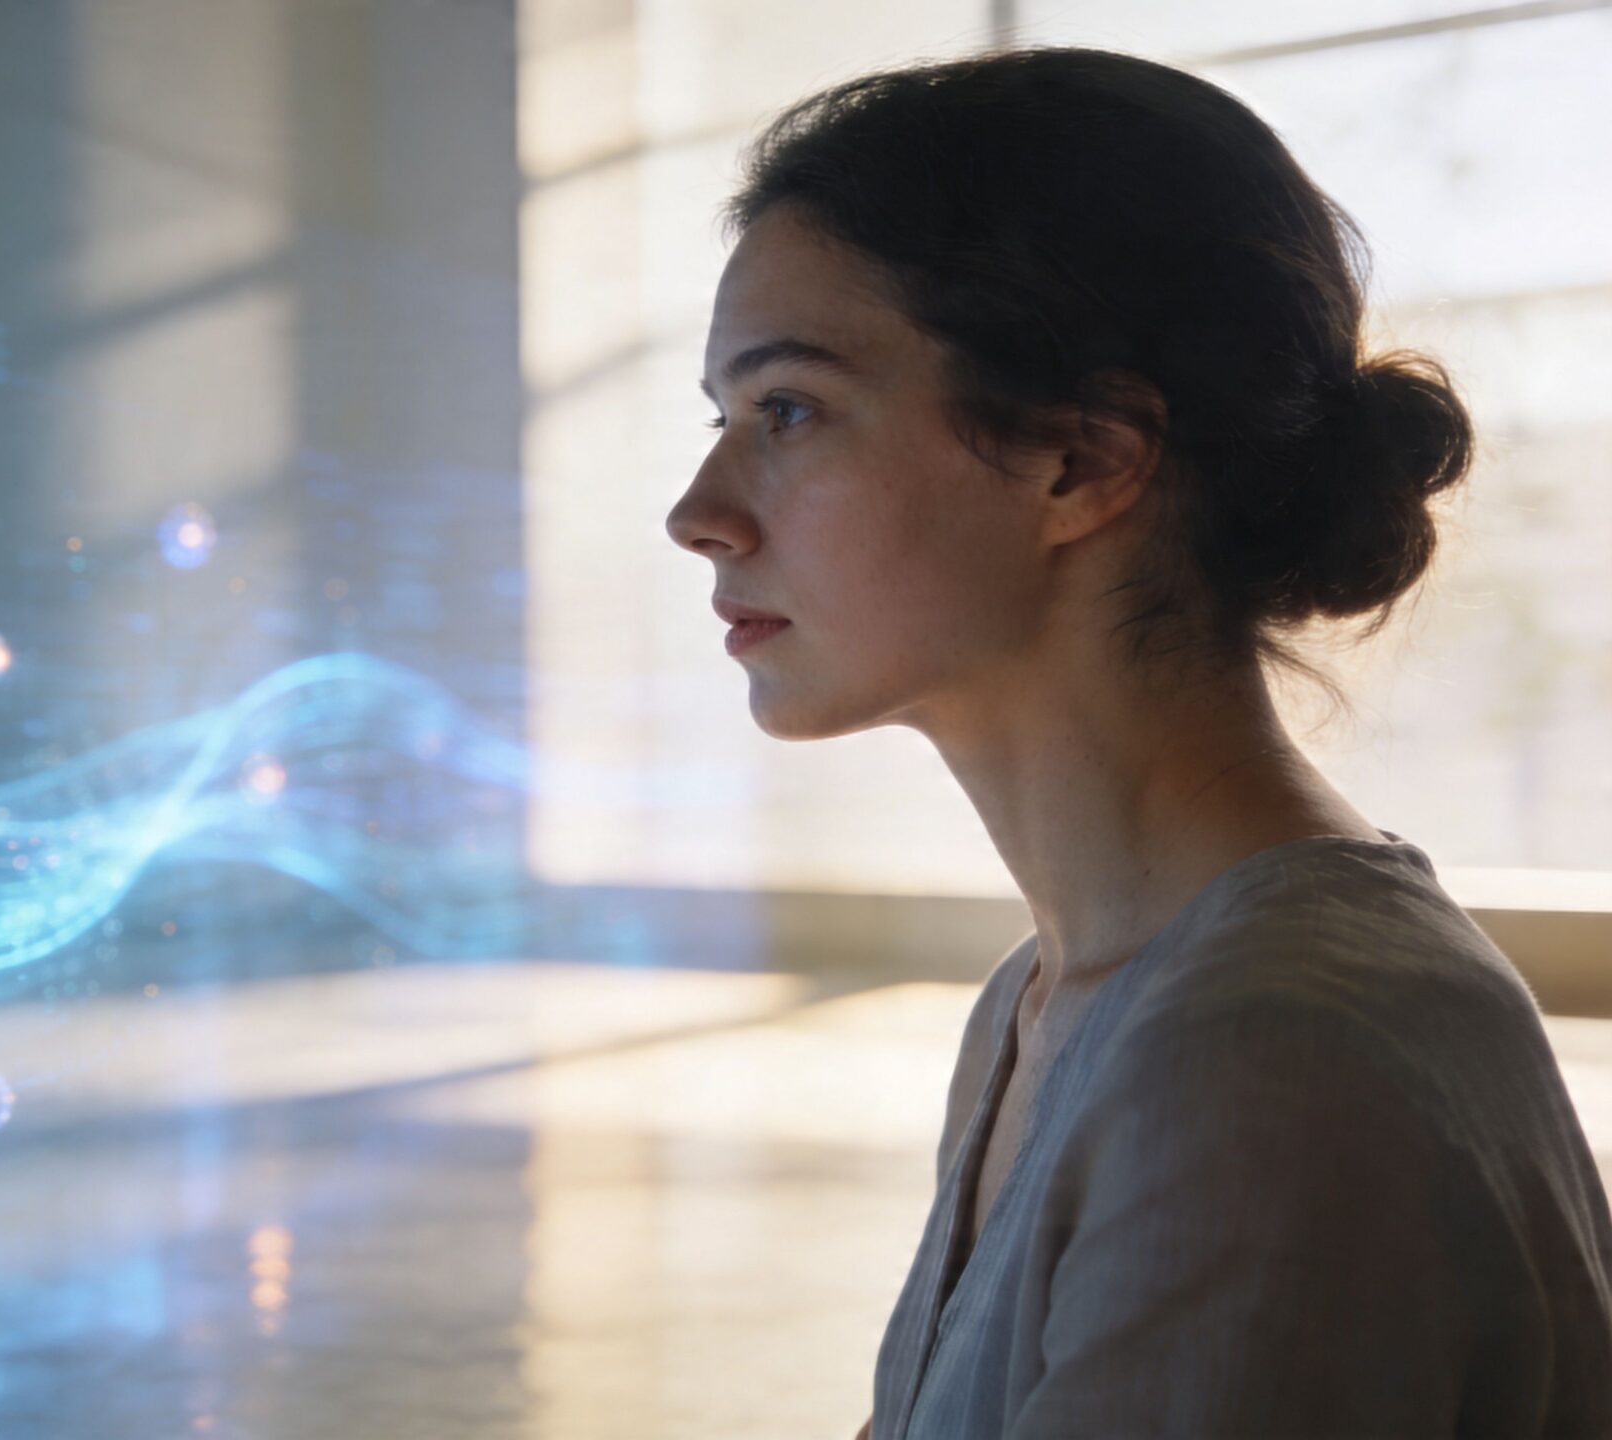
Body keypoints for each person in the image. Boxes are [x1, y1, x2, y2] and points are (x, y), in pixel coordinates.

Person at [664, 45, 1612, 1438]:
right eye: (725, 419)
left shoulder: (1277, 1055)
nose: (701, 509)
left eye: (788, 410)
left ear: (1085, 463)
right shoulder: (1050, 1003)